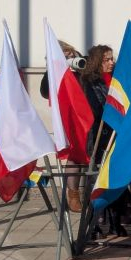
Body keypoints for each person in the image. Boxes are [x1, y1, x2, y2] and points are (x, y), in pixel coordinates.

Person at [80, 44, 126, 237]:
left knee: (116, 178)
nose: (111, 62)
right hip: (98, 138)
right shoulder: (89, 81)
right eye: (107, 59)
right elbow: (95, 110)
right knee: (96, 181)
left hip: (115, 136)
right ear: (97, 62)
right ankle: (93, 225)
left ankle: (116, 223)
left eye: (112, 58)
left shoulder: (116, 79)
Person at [41, 40, 86, 212]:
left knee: (91, 154)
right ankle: (73, 194)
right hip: (68, 117)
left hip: (87, 115)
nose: (69, 58)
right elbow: (45, 92)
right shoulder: (54, 72)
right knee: (75, 154)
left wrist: (80, 68)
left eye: (69, 54)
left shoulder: (83, 64)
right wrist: (54, 69)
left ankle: (94, 195)